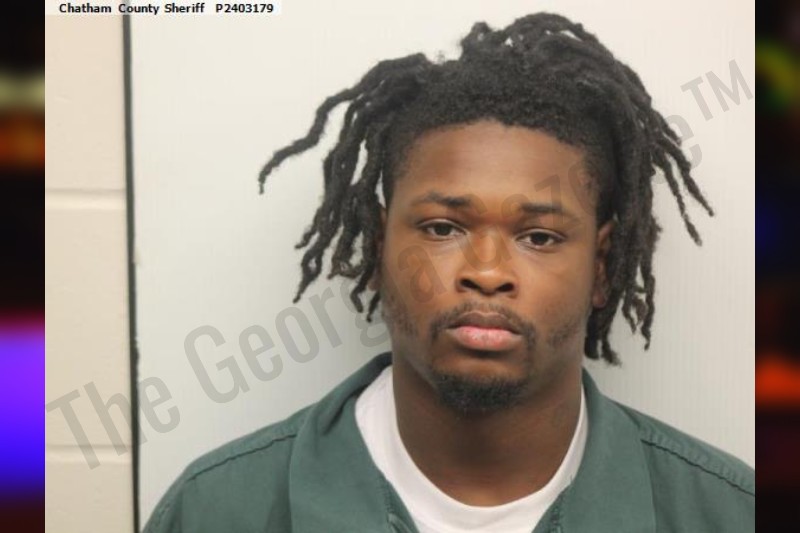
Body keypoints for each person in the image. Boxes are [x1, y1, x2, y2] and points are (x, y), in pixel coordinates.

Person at [144, 13, 754, 533]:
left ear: (601, 268)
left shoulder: (728, 513)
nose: (486, 272)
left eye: (539, 237)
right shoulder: (216, 511)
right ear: (378, 247)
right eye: (442, 229)